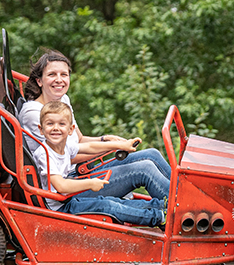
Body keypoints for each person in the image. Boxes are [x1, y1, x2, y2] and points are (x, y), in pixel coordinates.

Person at [18, 50, 170, 201]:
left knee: (152, 154)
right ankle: (183, 211)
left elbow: (80, 139)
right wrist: (110, 147)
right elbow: (65, 156)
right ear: (39, 80)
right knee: (144, 169)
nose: (59, 80)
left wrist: (104, 139)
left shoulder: (62, 100)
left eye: (64, 75)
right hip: (68, 182)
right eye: (52, 75)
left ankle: (185, 197)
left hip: (81, 170)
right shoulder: (35, 113)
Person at [33, 101, 166, 227]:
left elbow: (90, 147)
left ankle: (162, 206)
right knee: (108, 206)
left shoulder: (65, 145)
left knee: (115, 202)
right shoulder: (45, 154)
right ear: (41, 129)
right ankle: (159, 217)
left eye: (61, 124)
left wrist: (121, 144)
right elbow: (61, 186)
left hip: (66, 198)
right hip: (59, 207)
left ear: (70, 129)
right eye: (50, 124)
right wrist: (90, 183)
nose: (56, 128)